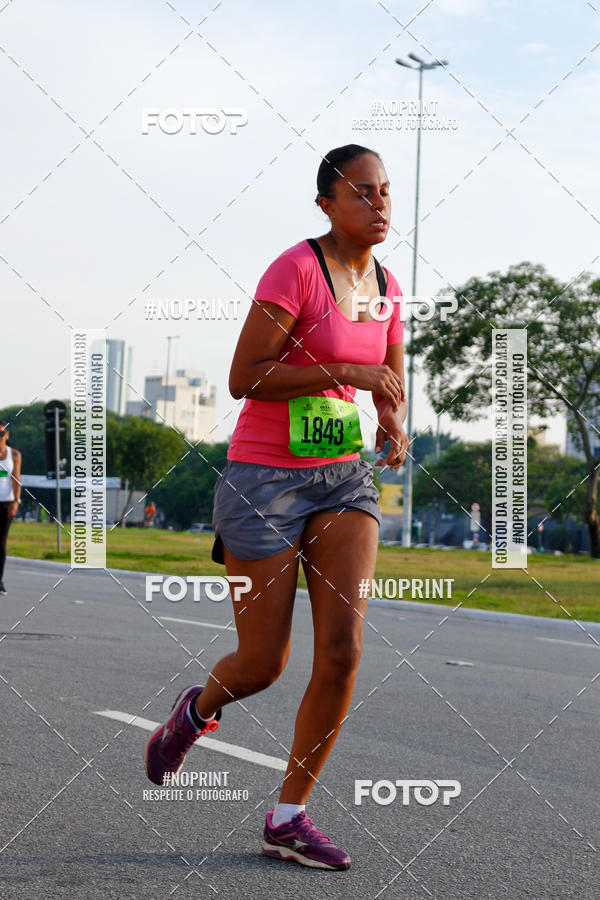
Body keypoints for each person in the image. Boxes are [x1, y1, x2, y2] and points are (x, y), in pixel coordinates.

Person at [145, 144, 408, 870]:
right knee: (264, 662)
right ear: (326, 202)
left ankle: (288, 816)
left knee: (344, 649)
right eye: (363, 191)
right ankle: (197, 711)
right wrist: (347, 370)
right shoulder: (295, 269)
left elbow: (390, 375)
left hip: (342, 478)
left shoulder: (387, 285)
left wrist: (390, 417)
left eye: (386, 191)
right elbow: (244, 377)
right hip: (264, 479)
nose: (380, 203)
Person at [0, 420, 22, 595]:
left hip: (6, 503)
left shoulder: (13, 454)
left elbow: (16, 479)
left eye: (1, 434)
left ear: (7, 435)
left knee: (1, 542)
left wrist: (16, 501)